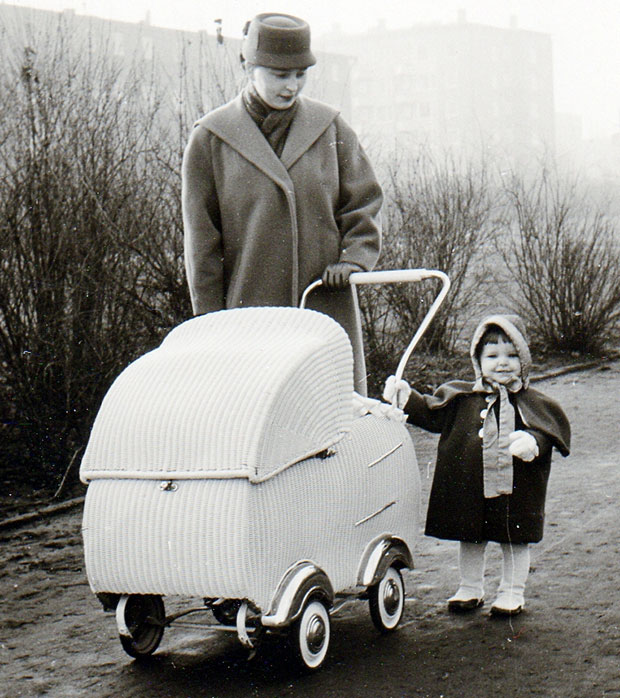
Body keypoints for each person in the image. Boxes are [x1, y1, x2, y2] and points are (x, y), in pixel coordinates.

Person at [182, 12, 382, 395]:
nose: (292, 86)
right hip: (248, 320)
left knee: (329, 422)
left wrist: (354, 258)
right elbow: (202, 245)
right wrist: (209, 327)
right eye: (279, 74)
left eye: (300, 74)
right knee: (257, 422)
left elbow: (364, 202)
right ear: (247, 66)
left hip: (324, 307)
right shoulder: (210, 139)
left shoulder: (331, 128)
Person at [383, 315, 571, 616]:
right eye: (492, 355)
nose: (502, 363)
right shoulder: (462, 397)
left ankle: (512, 591)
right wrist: (406, 398)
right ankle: (470, 587)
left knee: (515, 539)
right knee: (471, 536)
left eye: (511, 355)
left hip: (516, 487)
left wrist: (533, 442)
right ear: (478, 360)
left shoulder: (532, 400)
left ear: (523, 359)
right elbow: (432, 413)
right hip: (471, 485)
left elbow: (548, 431)